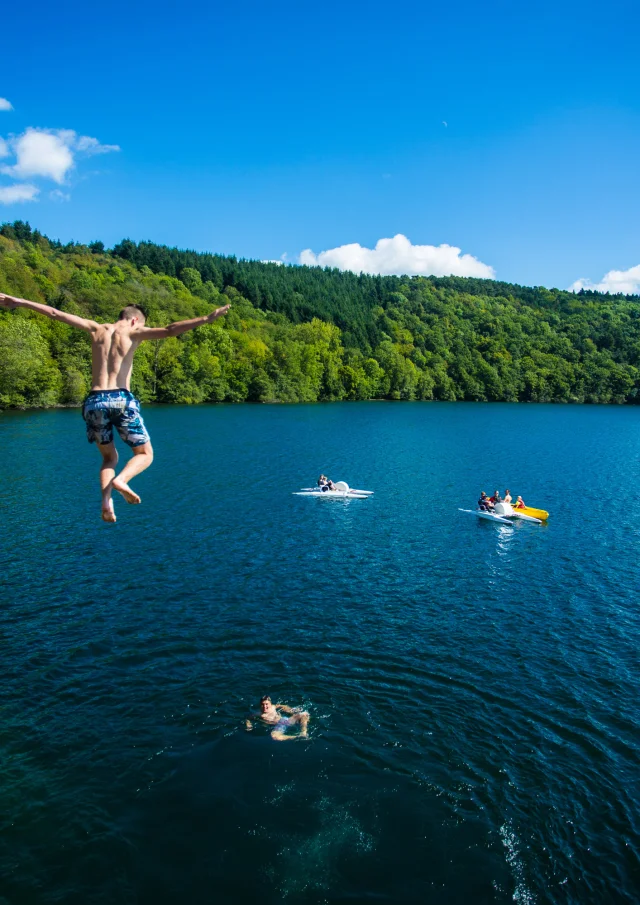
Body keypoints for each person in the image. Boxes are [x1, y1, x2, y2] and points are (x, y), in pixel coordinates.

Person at [0, 292, 230, 523]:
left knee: (109, 458)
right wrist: (207, 318)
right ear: (134, 320)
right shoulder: (133, 331)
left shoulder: (95, 328)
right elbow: (171, 330)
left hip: (94, 401)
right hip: (121, 399)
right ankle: (123, 480)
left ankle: (106, 502)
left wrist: (21, 301)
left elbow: (54, 313)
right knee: (145, 454)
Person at [245, 694, 310, 741]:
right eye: (262, 704)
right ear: (260, 705)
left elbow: (282, 706)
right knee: (274, 736)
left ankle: (304, 732)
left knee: (304, 714)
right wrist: (249, 725)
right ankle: (297, 737)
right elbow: (248, 718)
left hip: (285, 720)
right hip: (278, 726)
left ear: (270, 704)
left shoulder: (273, 707)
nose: (265, 706)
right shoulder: (258, 714)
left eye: (266, 704)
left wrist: (291, 710)